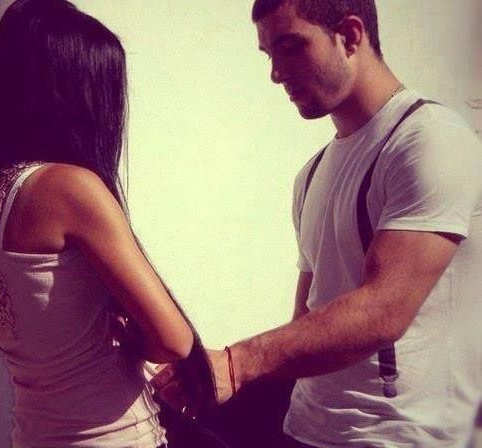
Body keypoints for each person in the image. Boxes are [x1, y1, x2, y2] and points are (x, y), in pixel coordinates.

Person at [153, 1, 482, 447]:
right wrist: (205, 377)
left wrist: (237, 363)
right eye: (269, 54)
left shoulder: (429, 141)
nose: (276, 73)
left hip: (400, 435)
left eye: (291, 47)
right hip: (307, 427)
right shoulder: (311, 175)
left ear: (350, 36)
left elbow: (384, 310)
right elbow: (308, 316)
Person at [0, 1, 203, 446]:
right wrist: (131, 337)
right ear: (78, 98)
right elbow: (174, 341)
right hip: (114, 435)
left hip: (34, 433)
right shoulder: (69, 188)